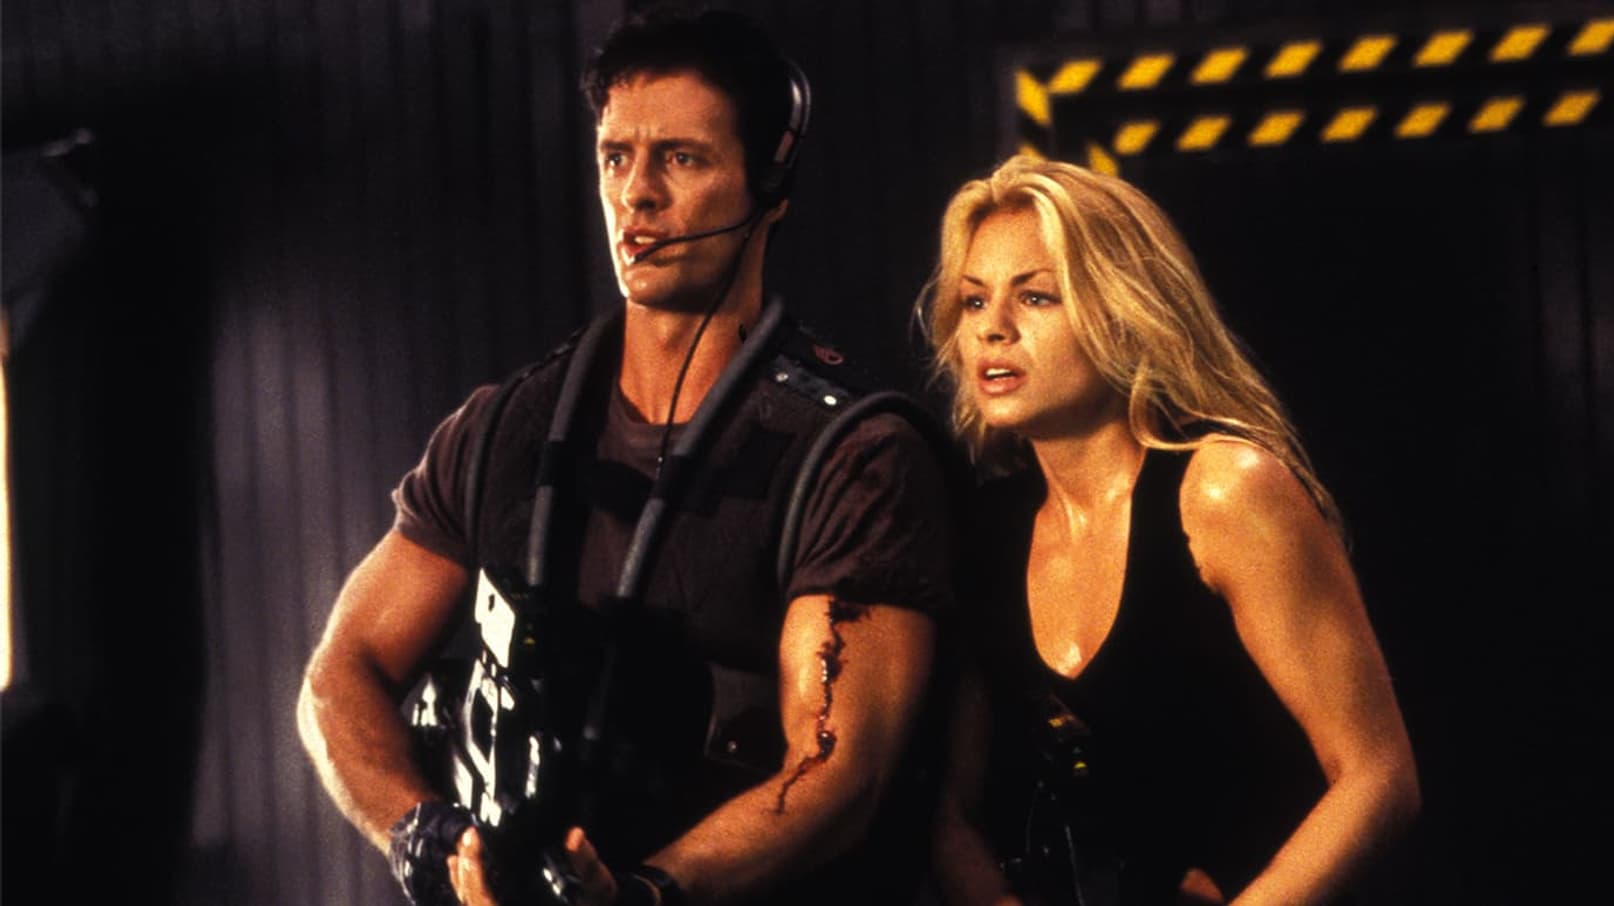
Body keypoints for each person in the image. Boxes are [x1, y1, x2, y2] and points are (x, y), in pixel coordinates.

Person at [297, 9, 953, 906]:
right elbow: (340, 674)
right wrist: (426, 837)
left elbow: (838, 774)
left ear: (770, 181)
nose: (637, 195)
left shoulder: (853, 456)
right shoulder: (503, 429)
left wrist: (644, 894)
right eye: (616, 157)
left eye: (681, 158)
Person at [920, 156, 1419, 905]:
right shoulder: (982, 532)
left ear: (1123, 311)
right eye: (973, 300)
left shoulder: (1224, 490)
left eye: (1037, 296)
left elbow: (1378, 777)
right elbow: (948, 810)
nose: (993, 328)